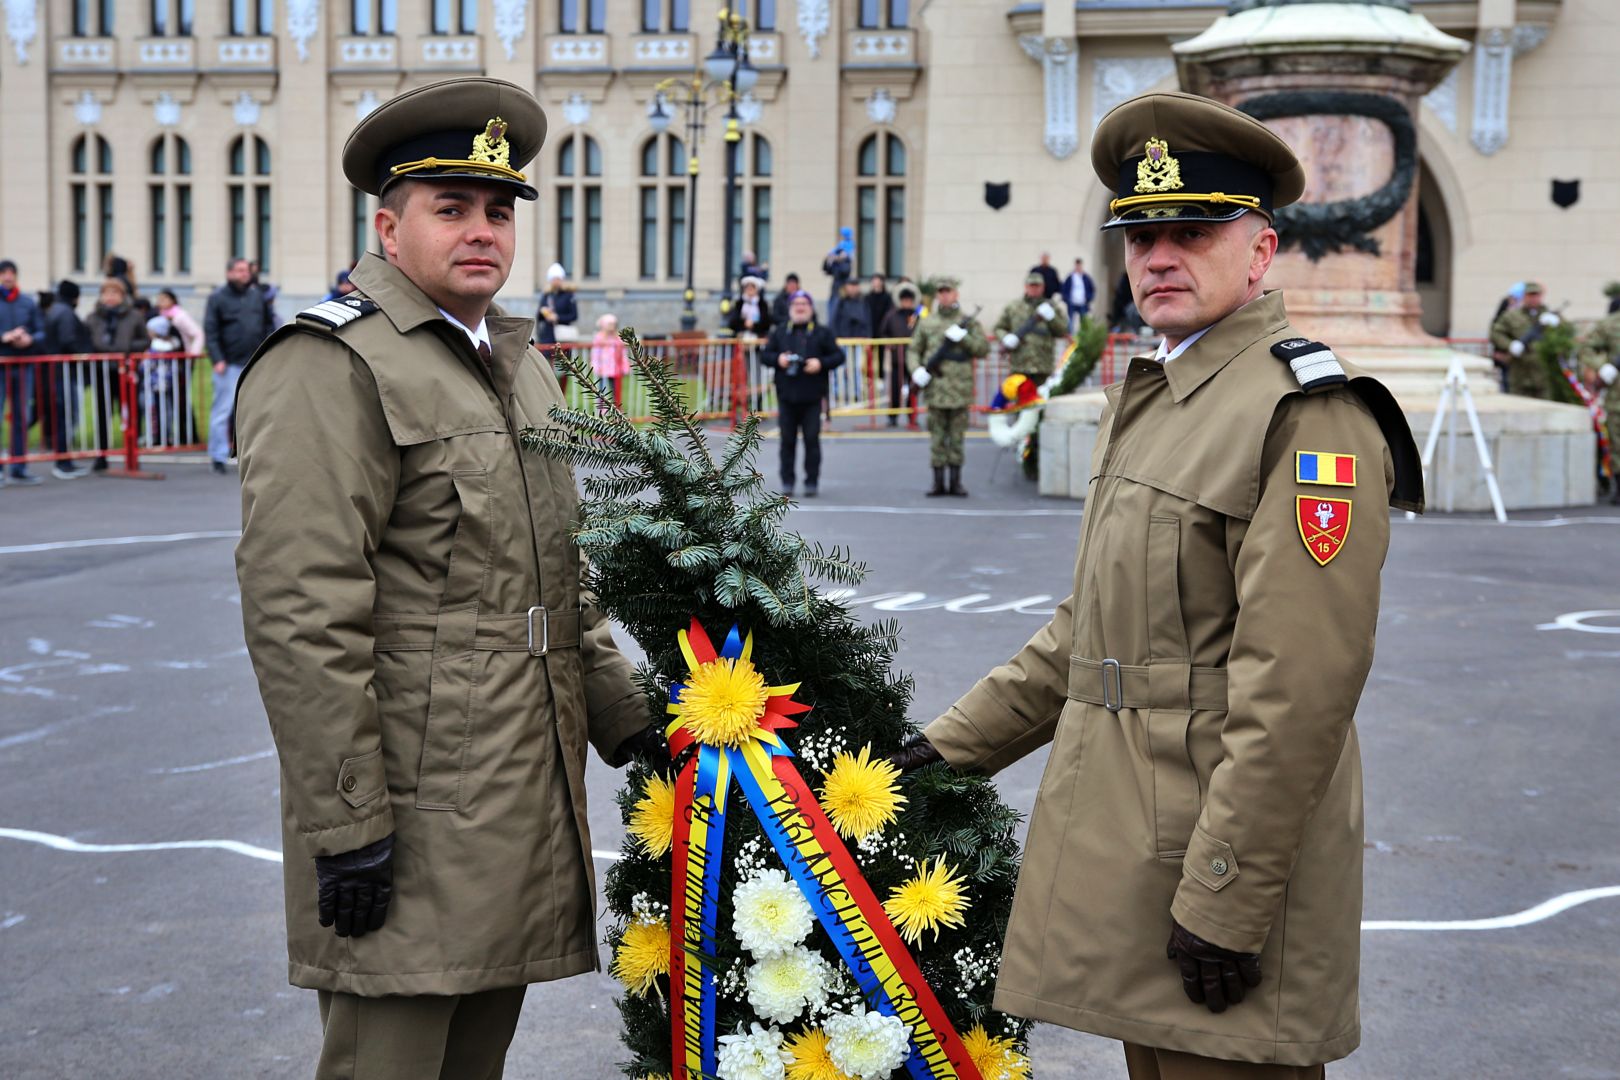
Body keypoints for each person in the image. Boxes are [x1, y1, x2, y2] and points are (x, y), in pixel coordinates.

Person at [890, 91, 1424, 1080]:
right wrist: (941, 749)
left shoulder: (1305, 414)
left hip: (1221, 879)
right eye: (1141, 234)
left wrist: (1225, 892)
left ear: (1260, 251)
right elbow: (1092, 635)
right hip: (1146, 859)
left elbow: (1297, 694)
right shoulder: (1166, 393)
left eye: (1193, 230)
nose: (1159, 255)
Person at [233, 77, 663, 1080]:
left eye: (500, 209)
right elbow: (302, 613)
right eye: (451, 207)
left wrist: (629, 718)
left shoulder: (518, 366)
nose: (484, 230)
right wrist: (346, 824)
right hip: (408, 810)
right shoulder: (331, 368)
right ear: (388, 226)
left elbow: (556, 574)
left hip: (513, 795)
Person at [906, 276, 988, 496]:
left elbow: (982, 349)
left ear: (956, 294)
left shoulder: (968, 322)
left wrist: (964, 339)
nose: (944, 295)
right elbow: (914, 350)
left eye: (948, 291)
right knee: (937, 436)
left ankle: (956, 481)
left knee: (957, 436)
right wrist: (916, 370)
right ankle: (938, 482)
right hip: (936, 389)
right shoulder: (928, 322)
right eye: (940, 292)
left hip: (960, 389)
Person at [759, 291, 842, 497]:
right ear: (790, 308)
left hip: (813, 396)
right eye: (796, 303)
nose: (800, 307)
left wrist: (820, 363)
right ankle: (787, 481)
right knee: (787, 441)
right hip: (786, 396)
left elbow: (839, 356)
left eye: (804, 303)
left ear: (811, 308)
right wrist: (779, 359)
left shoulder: (822, 332)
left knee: (812, 440)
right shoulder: (780, 332)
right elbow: (765, 355)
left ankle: (811, 481)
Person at [204, 257, 277, 474]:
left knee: (256, 411)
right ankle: (218, 455)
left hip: (254, 362)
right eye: (239, 270)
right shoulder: (218, 298)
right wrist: (217, 359)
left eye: (246, 270)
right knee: (223, 411)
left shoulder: (256, 296)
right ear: (229, 273)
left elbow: (267, 325)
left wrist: (267, 353)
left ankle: (254, 453)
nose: (244, 274)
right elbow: (211, 330)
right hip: (229, 364)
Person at [86, 277, 150, 472]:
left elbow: (145, 341)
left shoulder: (133, 317)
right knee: (102, 413)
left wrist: (127, 349)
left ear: (122, 296)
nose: (111, 297)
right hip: (102, 371)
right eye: (107, 293)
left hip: (126, 371)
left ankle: (132, 453)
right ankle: (102, 454)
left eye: (115, 293)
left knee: (131, 412)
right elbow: (85, 340)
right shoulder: (93, 317)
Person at [0, 258, 45, 486]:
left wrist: (28, 339)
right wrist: (4, 337)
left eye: (11, 273)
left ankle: (19, 466)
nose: (8, 277)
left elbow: (40, 331)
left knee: (21, 417)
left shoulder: (27, 302)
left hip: (22, 365)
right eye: (4, 273)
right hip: (1, 365)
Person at [43, 279, 92, 479]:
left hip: (57, 372)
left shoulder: (55, 310)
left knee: (64, 415)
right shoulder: (65, 313)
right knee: (67, 415)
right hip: (63, 372)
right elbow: (68, 341)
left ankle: (65, 459)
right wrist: (83, 356)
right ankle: (63, 461)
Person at [1578, 307, 1620, 503]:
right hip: (1618, 395)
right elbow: (1587, 347)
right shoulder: (1611, 324)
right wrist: (1602, 367)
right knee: (1617, 440)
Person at [995, 271, 1068, 381]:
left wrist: (1052, 318)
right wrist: (1005, 337)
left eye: (1037, 286)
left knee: (1042, 398)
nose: (1034, 289)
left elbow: (1063, 331)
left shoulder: (1052, 307)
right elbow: (998, 327)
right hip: (1019, 366)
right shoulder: (1013, 307)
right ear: (1026, 287)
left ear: (1043, 287)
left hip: (1043, 367)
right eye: (1031, 286)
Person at [1490, 280, 1556, 399]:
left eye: (1536, 295)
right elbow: (1495, 333)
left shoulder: (1549, 315)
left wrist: (1558, 324)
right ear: (1524, 296)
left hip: (1543, 372)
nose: (1533, 298)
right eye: (1530, 295)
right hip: (1519, 370)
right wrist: (1510, 345)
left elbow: (1565, 337)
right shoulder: (1512, 315)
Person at [878, 283, 921, 428]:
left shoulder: (917, 316)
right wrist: (888, 343)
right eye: (904, 300)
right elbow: (883, 332)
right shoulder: (892, 315)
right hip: (897, 359)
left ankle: (912, 416)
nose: (907, 303)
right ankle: (892, 417)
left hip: (913, 359)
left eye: (909, 300)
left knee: (913, 388)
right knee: (895, 390)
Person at [535, 262, 579, 346]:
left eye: (558, 279)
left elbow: (574, 315)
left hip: (563, 337)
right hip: (547, 336)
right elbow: (539, 316)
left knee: (561, 358)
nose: (555, 281)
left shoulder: (568, 295)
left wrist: (557, 317)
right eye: (553, 279)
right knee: (547, 358)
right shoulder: (546, 295)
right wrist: (544, 312)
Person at [590, 312, 629, 404]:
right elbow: (595, 353)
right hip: (603, 368)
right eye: (609, 324)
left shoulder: (618, 338)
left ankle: (617, 407)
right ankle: (602, 407)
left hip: (615, 368)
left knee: (616, 389)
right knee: (601, 389)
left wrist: (625, 365)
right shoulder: (599, 337)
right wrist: (595, 365)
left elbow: (623, 353)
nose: (612, 327)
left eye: (613, 324)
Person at [728, 275, 773, 340]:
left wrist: (754, 325)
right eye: (747, 287)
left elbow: (766, 323)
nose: (750, 289)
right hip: (740, 337)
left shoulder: (762, 304)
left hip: (758, 337)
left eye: (752, 287)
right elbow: (732, 322)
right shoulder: (739, 303)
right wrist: (744, 323)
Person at [1063, 257, 1097, 334]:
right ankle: (1071, 336)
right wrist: (1066, 299)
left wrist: (1089, 298)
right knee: (1071, 321)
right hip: (1072, 302)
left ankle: (1083, 336)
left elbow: (1092, 289)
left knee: (1083, 320)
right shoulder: (1070, 277)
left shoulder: (1086, 277)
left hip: (1082, 303)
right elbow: (1064, 288)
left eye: (1079, 265)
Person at [822, 228, 853, 303]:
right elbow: (827, 270)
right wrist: (828, 260)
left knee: (841, 303)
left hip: (843, 286)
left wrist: (838, 260)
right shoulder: (839, 248)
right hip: (835, 287)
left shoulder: (846, 260)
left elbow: (844, 271)